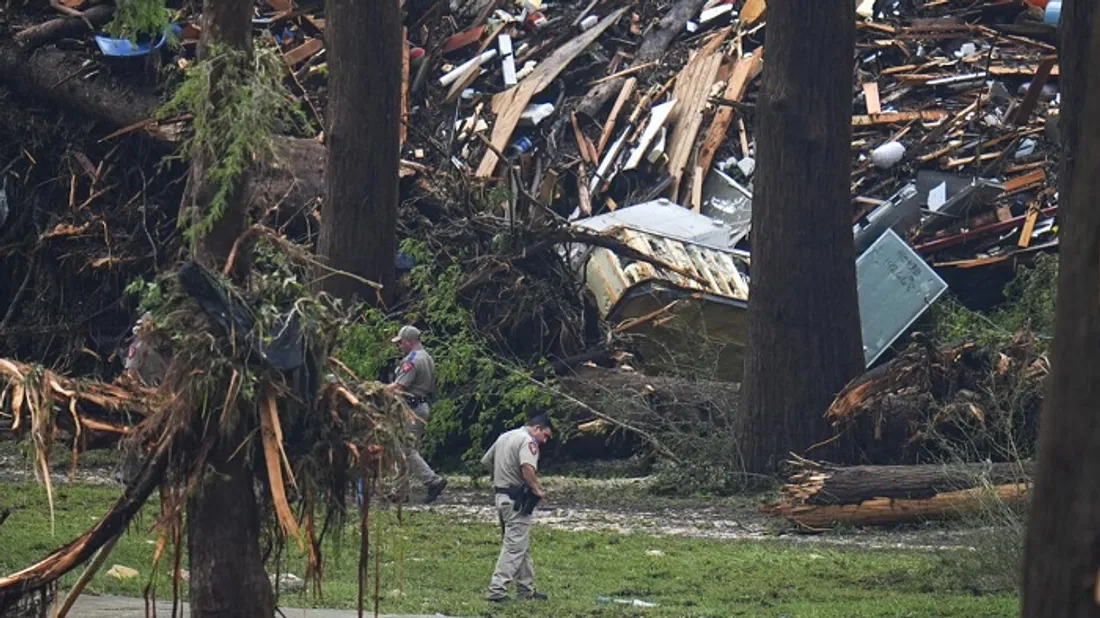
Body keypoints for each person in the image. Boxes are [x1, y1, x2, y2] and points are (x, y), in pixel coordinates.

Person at [481, 414, 553, 602]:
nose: (544, 441)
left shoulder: (505, 436)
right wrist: (536, 489)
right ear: (536, 428)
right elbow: (527, 467)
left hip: (501, 496)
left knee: (520, 544)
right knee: (514, 547)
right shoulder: (528, 442)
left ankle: (526, 589)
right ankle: (497, 590)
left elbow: (486, 461)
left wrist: (500, 476)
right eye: (545, 435)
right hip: (516, 500)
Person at [388, 325, 447, 503]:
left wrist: (376, 389)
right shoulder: (427, 357)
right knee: (404, 449)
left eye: (400, 343)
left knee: (406, 449)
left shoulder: (411, 360)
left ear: (409, 342)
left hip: (411, 409)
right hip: (421, 406)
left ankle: (433, 481)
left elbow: (399, 387)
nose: (399, 346)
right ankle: (400, 490)